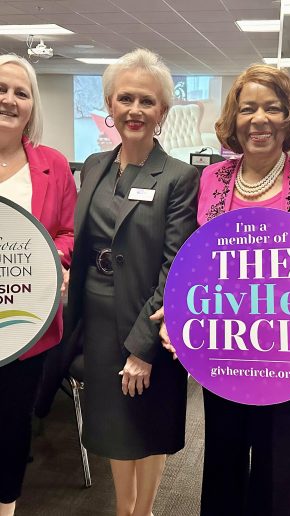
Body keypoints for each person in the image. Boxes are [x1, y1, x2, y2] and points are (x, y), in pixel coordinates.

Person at [152, 63, 290, 516]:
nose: (259, 119)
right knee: (222, 462)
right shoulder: (211, 180)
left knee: (283, 470)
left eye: (272, 108)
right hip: (226, 349)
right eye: (248, 109)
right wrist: (177, 312)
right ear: (234, 118)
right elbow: (198, 262)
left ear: (289, 117)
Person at [67, 48, 198, 516]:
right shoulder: (94, 165)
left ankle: (144, 510)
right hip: (98, 315)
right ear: (109, 104)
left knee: (147, 423)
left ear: (163, 111)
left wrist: (143, 348)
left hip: (149, 319)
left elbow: (176, 266)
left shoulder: (180, 177)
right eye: (125, 98)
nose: (134, 110)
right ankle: (124, 509)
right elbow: (84, 240)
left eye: (147, 101)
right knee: (114, 427)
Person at [0, 55, 76, 516]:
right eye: (1, 89)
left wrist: (54, 259)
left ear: (32, 106)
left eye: (20, 92)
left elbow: (68, 232)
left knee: (11, 426)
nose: (9, 99)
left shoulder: (52, 165)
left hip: (23, 324)